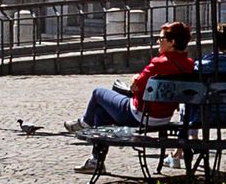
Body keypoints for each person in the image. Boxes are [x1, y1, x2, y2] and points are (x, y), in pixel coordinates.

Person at [75, 21, 201, 172]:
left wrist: (136, 78)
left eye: (161, 39)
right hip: (164, 117)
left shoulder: (158, 63)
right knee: (102, 113)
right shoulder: (188, 64)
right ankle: (95, 161)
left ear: (172, 42)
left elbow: (137, 89)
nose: (158, 42)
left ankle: (85, 123)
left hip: (140, 114)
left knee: (98, 93)